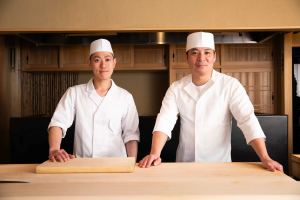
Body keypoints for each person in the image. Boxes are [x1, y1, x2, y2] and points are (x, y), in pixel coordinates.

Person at [138, 32, 283, 172]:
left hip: (220, 165)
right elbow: (165, 120)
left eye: (207, 52)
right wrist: (155, 153)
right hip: (185, 165)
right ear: (186, 57)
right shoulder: (176, 88)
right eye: (195, 53)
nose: (202, 58)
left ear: (214, 56)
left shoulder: (230, 85)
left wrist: (265, 157)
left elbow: (247, 120)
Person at [48, 39, 140, 162]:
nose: (103, 65)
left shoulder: (125, 97)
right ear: (89, 63)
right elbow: (58, 123)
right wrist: (54, 149)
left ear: (114, 62)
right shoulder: (74, 93)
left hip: (117, 165)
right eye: (97, 60)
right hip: (83, 164)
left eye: (107, 59)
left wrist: (131, 163)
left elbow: (131, 135)